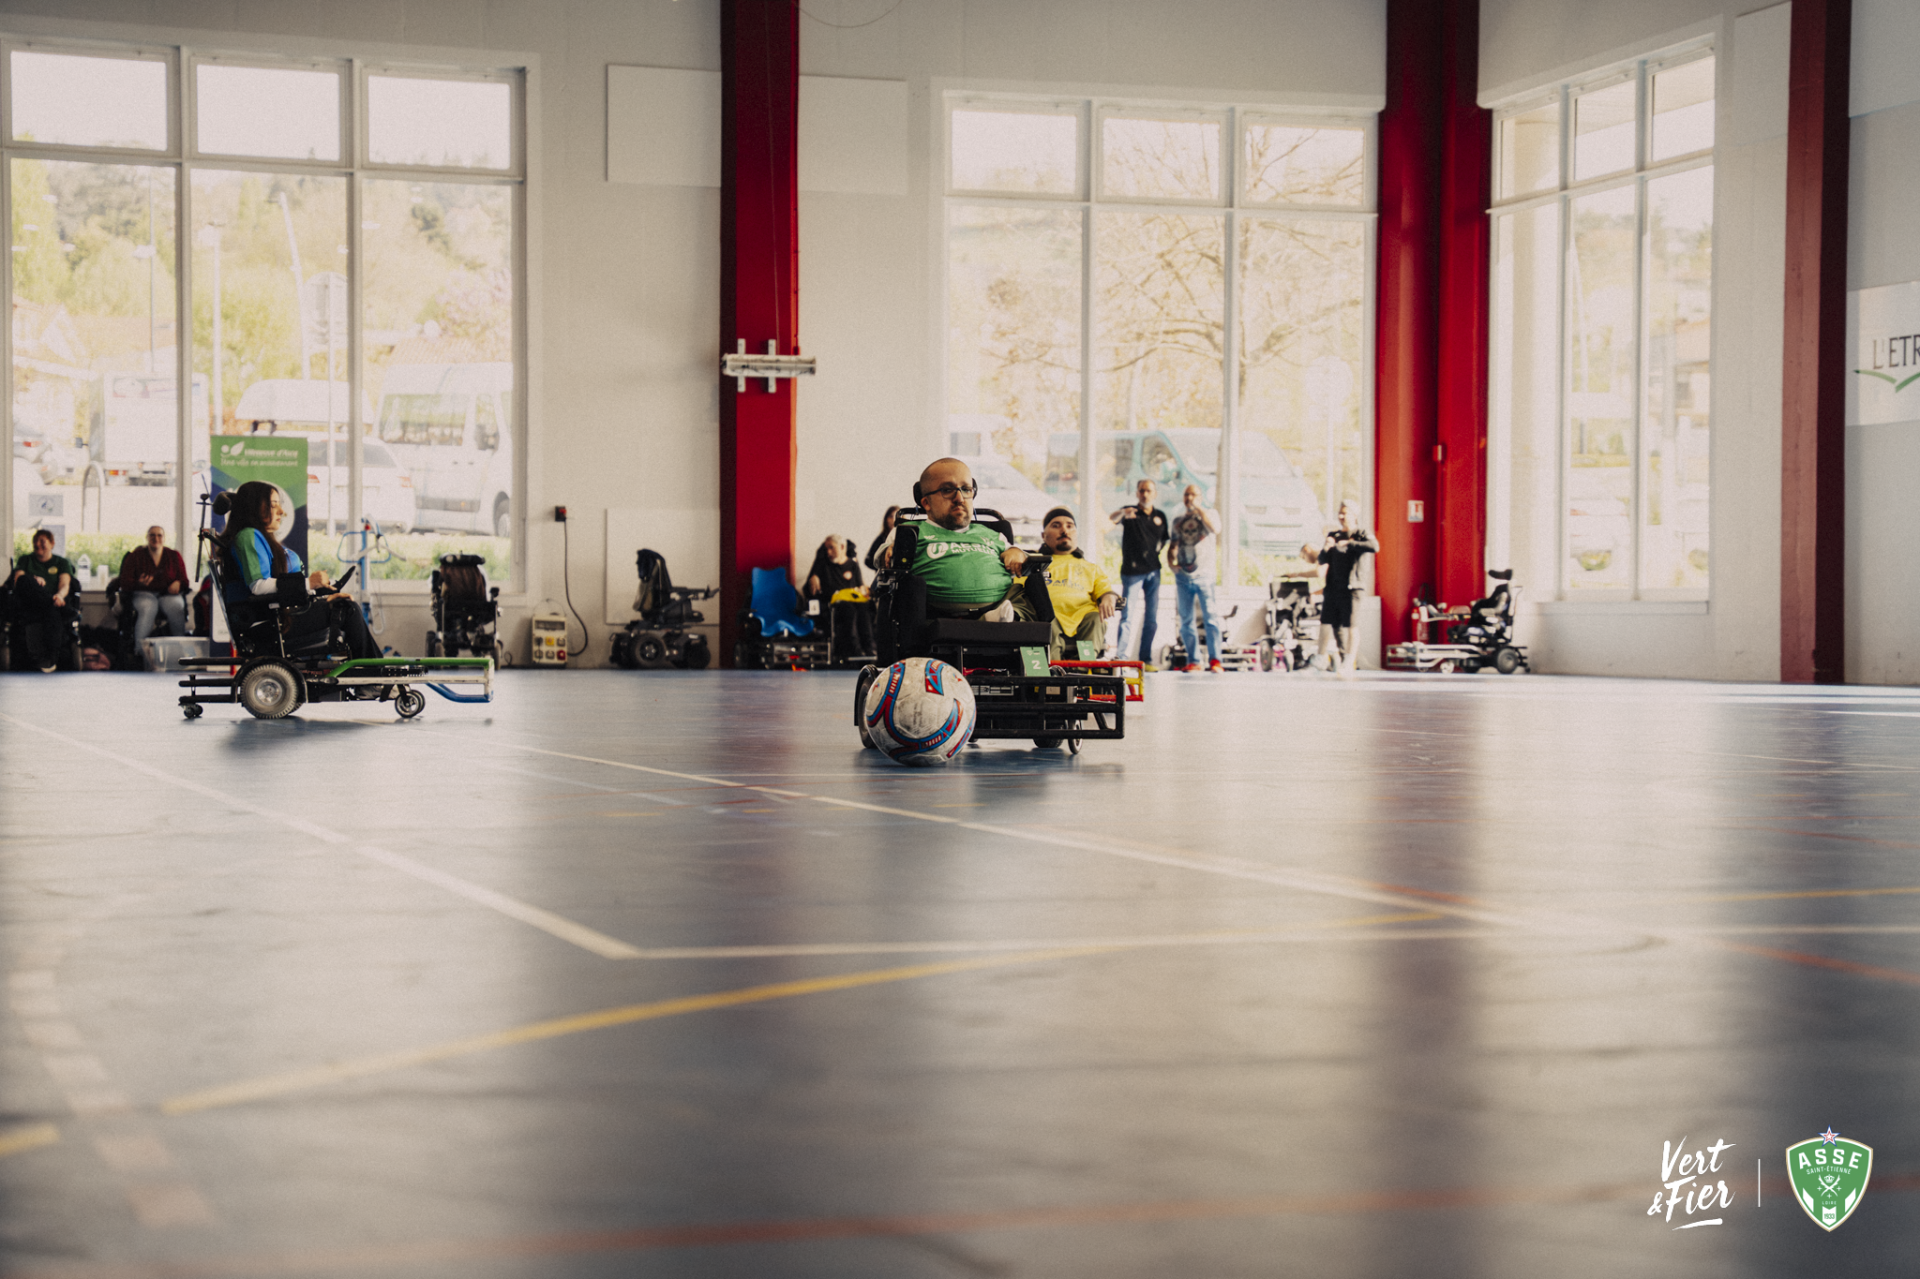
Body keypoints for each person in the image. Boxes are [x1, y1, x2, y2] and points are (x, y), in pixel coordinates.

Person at [219, 480, 378, 660]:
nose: (281, 511)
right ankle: (372, 671)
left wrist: (320, 596)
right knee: (347, 609)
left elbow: (278, 589)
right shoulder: (248, 536)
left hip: (273, 619)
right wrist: (309, 583)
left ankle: (371, 669)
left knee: (344, 605)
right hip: (265, 626)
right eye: (274, 505)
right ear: (254, 507)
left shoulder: (257, 537)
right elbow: (259, 586)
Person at [879, 459, 1030, 621]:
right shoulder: (909, 531)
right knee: (909, 588)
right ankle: (990, 622)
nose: (960, 498)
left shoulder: (993, 534)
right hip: (931, 615)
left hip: (999, 604)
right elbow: (881, 557)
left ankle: (999, 617)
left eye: (966, 489)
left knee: (1028, 589)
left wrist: (1015, 552)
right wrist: (890, 551)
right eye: (947, 490)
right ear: (926, 503)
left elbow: (1017, 555)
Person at [1036, 507, 1117, 660]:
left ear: (1076, 533)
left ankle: (1082, 670)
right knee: (1045, 623)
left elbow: (1105, 589)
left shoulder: (1091, 568)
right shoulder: (1034, 564)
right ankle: (1051, 673)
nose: (1064, 530)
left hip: (1084, 619)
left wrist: (1108, 597)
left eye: (1069, 526)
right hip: (1047, 618)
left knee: (1095, 619)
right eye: (1056, 525)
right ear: (1043, 535)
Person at [1311, 500, 1379, 673]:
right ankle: (1321, 657)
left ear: (1354, 515)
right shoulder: (1334, 535)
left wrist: (1349, 543)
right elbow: (1322, 560)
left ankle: (1350, 659)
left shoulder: (1361, 534)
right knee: (1327, 623)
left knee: (1351, 624)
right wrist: (1326, 548)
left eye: (1345, 513)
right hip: (1333, 587)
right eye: (1339, 513)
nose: (1341, 516)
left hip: (1352, 587)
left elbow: (1374, 546)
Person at [1110, 478, 1169, 669]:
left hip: (1153, 571)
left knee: (1151, 618)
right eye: (1142, 491)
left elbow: (1164, 541)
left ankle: (1146, 659)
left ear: (1155, 494)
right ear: (1137, 493)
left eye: (1149, 491)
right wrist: (1123, 512)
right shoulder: (1130, 512)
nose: (1145, 494)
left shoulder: (1160, 516)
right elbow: (1111, 520)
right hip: (1132, 572)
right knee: (1127, 615)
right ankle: (1121, 658)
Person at [6, 529, 80, 672]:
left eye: (42, 541)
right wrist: (33, 579)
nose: (37, 544)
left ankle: (50, 660)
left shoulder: (62, 562)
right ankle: (60, 608)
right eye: (35, 541)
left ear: (52, 543)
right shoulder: (25, 560)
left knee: (51, 610)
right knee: (24, 580)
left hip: (53, 602)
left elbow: (65, 585)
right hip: (29, 603)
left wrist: (59, 596)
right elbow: (18, 581)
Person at [116, 525, 191, 657]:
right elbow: (124, 582)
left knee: (177, 606)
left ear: (164, 538)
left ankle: (180, 651)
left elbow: (185, 581)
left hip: (168, 594)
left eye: (159, 535)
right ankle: (140, 652)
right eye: (152, 535)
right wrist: (138, 583)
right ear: (147, 537)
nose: (156, 538)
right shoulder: (135, 556)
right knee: (148, 607)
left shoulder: (174, 556)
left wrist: (178, 583)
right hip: (143, 593)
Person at [1168, 484, 1221, 672]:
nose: (1189, 497)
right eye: (1186, 494)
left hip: (1205, 575)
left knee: (1211, 618)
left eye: (1193, 494)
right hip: (1183, 576)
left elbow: (1215, 529)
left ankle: (1215, 660)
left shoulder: (1210, 514)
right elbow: (1173, 544)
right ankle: (1194, 660)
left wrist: (1198, 509)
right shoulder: (1178, 520)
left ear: (1200, 497)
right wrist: (1171, 563)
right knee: (1185, 620)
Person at [804, 533, 872, 658]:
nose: (828, 552)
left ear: (842, 547)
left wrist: (864, 590)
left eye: (831, 547)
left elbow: (860, 585)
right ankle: (855, 650)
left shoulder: (853, 565)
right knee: (849, 610)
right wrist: (813, 577)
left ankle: (869, 649)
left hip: (853, 600)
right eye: (826, 548)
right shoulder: (823, 566)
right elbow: (809, 590)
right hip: (834, 604)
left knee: (864, 608)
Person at [863, 505, 899, 572]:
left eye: (897, 517)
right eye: (891, 516)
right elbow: (868, 560)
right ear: (886, 519)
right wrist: (881, 566)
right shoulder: (881, 538)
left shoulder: (906, 537)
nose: (894, 520)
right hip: (885, 575)